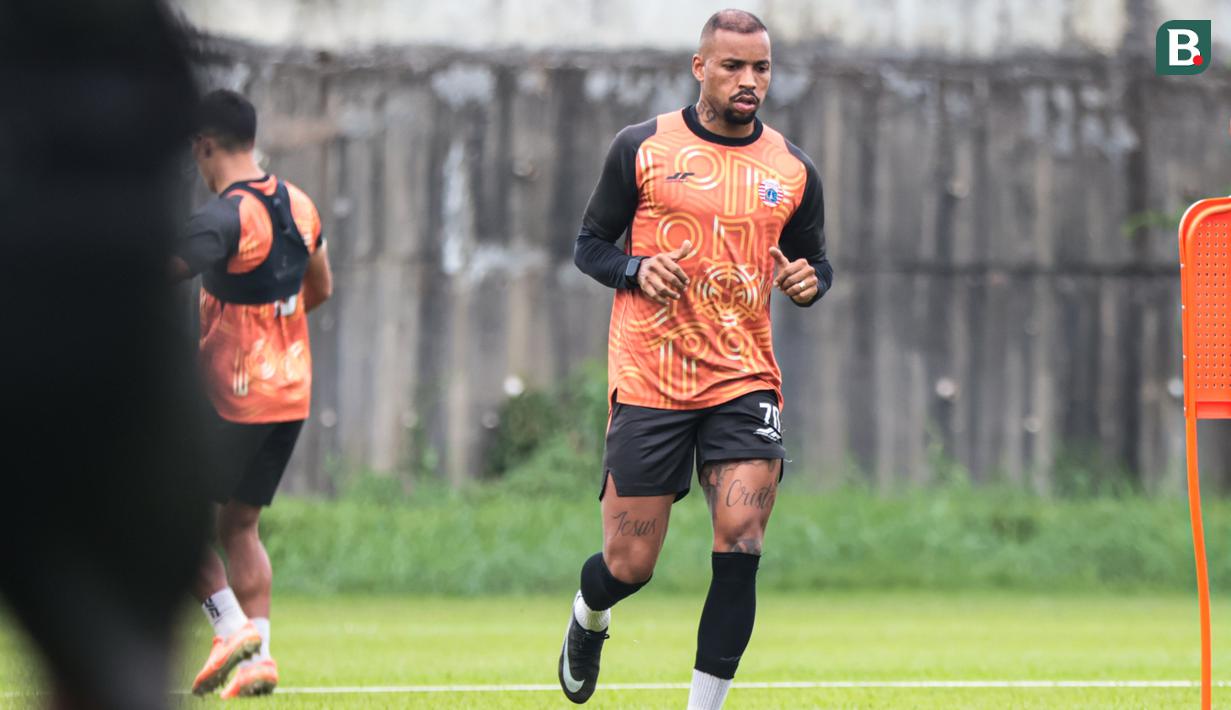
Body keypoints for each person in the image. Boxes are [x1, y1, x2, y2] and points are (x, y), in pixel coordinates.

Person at [558, 9, 832, 709]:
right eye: (733, 66)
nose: (748, 81)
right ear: (699, 67)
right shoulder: (641, 147)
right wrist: (634, 269)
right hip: (652, 377)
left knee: (740, 541)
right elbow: (589, 245)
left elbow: (813, 263)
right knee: (629, 564)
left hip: (744, 380)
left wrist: (810, 282)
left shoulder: (793, 168)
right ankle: (590, 615)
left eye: (760, 68)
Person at [174, 89, 334, 699]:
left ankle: (230, 627)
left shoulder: (224, 215)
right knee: (239, 525)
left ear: (205, 146)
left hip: (232, 396)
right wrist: (275, 327)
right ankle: (258, 659)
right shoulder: (301, 203)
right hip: (290, 393)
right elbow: (320, 286)